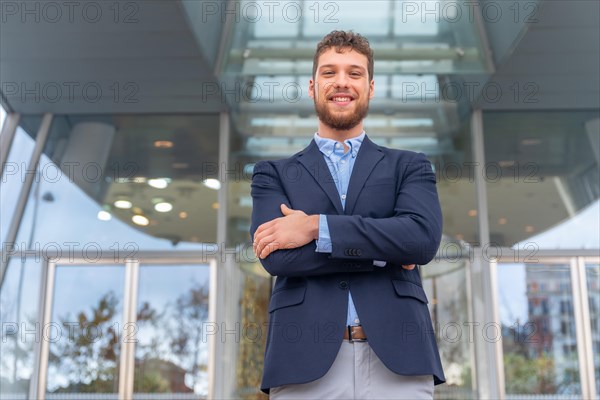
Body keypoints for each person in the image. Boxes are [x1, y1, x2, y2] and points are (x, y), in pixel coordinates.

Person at [251, 30, 445, 399]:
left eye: (354, 73)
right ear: (312, 87)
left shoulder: (410, 166)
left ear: (371, 87)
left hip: (399, 362)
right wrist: (385, 252)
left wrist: (314, 227)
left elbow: (419, 241)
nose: (342, 82)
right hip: (302, 365)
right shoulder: (272, 174)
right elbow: (279, 259)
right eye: (330, 72)